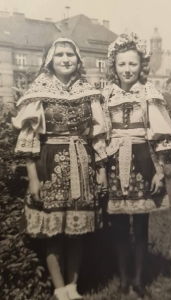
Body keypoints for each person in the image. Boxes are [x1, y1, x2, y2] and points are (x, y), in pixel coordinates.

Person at [12, 36, 107, 300]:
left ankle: (73, 287)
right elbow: (29, 138)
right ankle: (58, 287)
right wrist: (33, 177)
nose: (65, 59)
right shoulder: (38, 92)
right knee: (52, 231)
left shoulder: (89, 93)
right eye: (59, 55)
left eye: (70, 55)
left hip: (82, 164)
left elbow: (97, 135)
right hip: (49, 165)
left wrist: (100, 169)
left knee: (77, 231)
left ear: (78, 60)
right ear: (49, 61)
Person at [102, 32, 171, 298]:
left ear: (141, 66)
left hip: (143, 162)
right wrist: (102, 167)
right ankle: (123, 280)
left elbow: (159, 136)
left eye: (132, 64)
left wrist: (159, 171)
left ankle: (138, 280)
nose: (127, 69)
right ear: (114, 66)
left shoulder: (149, 94)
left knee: (142, 224)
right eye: (122, 64)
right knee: (120, 225)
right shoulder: (106, 95)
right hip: (114, 163)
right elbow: (100, 134)